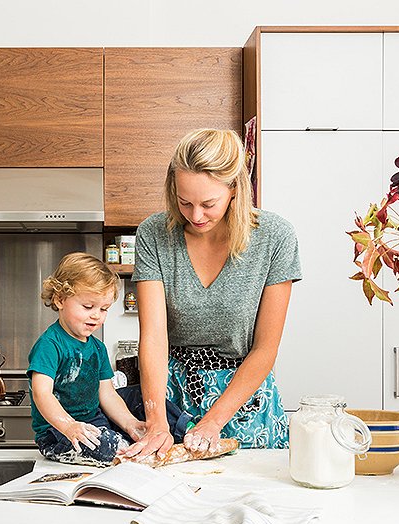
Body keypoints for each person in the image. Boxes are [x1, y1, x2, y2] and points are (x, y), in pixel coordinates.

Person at [120, 128, 301, 460]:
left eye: (208, 203)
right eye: (184, 201)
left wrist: (213, 422)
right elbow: (154, 338)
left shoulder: (275, 237)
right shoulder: (154, 235)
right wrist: (157, 420)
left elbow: (265, 348)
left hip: (245, 403)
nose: (196, 215)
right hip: (172, 400)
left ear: (234, 190)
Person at [28, 252, 191, 466]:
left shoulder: (97, 347)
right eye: (88, 307)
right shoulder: (50, 345)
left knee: (139, 396)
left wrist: (131, 424)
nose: (96, 315)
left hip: (95, 423)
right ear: (60, 299)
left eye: (103, 309)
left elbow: (107, 394)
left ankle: (185, 433)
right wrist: (69, 426)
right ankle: (125, 450)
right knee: (108, 446)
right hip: (57, 433)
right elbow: (42, 395)